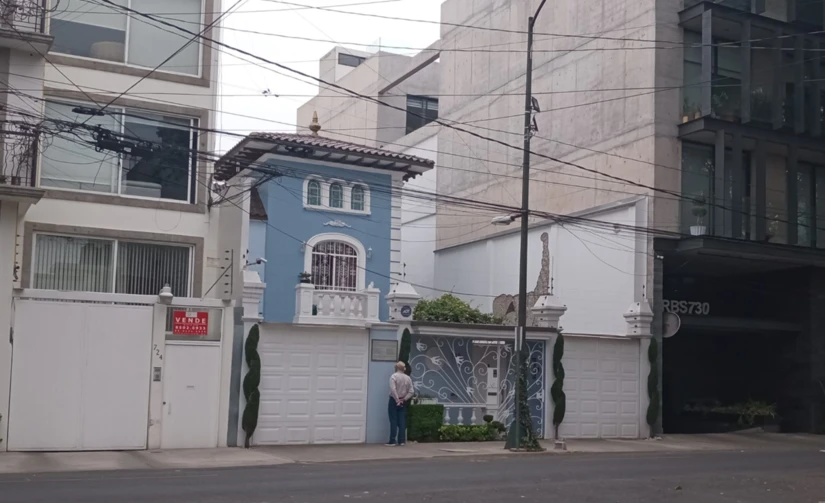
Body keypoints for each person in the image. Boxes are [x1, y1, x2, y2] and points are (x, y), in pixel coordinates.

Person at [387, 361, 414, 446]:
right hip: (403, 401)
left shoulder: (393, 376)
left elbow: (393, 389)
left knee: (393, 420)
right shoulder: (408, 378)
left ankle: (392, 440)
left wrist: (397, 399)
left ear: (397, 367)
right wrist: (404, 399)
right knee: (402, 420)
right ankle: (401, 440)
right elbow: (411, 391)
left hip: (393, 400)